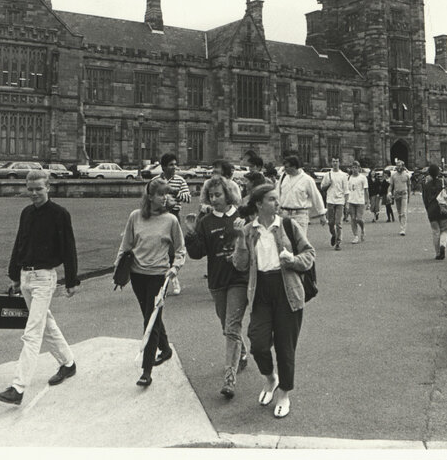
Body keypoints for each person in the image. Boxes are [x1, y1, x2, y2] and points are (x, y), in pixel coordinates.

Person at [0, 169, 79, 406]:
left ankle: (18, 387)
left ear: (48, 187)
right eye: (30, 190)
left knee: (32, 333)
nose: (34, 194)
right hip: (26, 276)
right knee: (46, 324)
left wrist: (72, 280)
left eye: (38, 189)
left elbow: (68, 248)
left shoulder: (59, 214)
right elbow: (19, 243)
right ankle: (68, 363)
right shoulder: (26, 213)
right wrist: (14, 275)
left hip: (44, 278)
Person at [232, 184, 315, 419]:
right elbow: (240, 265)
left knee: (285, 348)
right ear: (259, 204)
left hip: (287, 290)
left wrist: (293, 260)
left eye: (277, 200)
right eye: (271, 200)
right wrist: (239, 239)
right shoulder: (248, 230)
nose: (277, 204)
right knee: (258, 343)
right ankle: (270, 379)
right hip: (261, 292)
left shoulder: (288, 225)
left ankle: (284, 393)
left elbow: (309, 255)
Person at [183, 176, 249, 398]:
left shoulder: (241, 216)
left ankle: (229, 378)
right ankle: (241, 351)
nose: (214, 199)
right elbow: (197, 253)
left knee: (232, 326)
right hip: (217, 281)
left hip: (239, 279)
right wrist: (191, 233)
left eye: (218, 195)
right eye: (211, 196)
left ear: (228, 194)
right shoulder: (206, 222)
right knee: (227, 325)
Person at [117, 178, 186, 387]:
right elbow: (126, 245)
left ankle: (146, 371)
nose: (165, 198)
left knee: (151, 320)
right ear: (149, 197)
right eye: (160, 194)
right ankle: (165, 349)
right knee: (151, 315)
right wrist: (118, 268)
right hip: (138, 275)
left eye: (167, 194)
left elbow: (181, 249)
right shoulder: (135, 217)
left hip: (159, 276)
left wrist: (175, 268)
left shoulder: (171, 221)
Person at [155, 153, 190, 294]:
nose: (174, 167)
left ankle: (173, 278)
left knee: (172, 249)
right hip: (158, 216)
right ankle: (160, 280)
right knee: (158, 249)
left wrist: (175, 193)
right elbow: (148, 197)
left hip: (173, 216)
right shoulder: (156, 181)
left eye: (175, 164)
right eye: (171, 165)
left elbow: (187, 198)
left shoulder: (180, 180)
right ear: (163, 167)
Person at [275, 155, 327, 235]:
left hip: (300, 215)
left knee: (300, 243)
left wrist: (322, 214)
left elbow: (316, 196)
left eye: (287, 167)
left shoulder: (307, 180)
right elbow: (277, 193)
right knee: (285, 243)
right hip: (284, 214)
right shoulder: (283, 177)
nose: (285, 169)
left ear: (294, 167)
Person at [421, 164, 447, 260]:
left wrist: (428, 210)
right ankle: (442, 246)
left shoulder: (426, 186)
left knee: (435, 232)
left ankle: (437, 253)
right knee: (445, 230)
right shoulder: (443, 183)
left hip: (432, 211)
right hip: (443, 209)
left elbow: (425, 200)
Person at [319, 157, 348, 250]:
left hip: (340, 201)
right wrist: (328, 184)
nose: (335, 163)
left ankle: (338, 242)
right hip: (330, 201)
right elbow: (322, 188)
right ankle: (334, 235)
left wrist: (346, 203)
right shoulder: (327, 175)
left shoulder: (343, 175)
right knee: (331, 223)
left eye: (337, 161)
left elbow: (346, 190)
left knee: (338, 223)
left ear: (339, 162)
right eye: (333, 161)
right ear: (331, 163)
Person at [345, 161, 369, 243]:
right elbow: (347, 190)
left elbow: (366, 190)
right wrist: (347, 202)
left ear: (359, 168)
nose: (354, 169)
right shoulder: (349, 178)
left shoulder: (363, 178)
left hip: (360, 201)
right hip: (351, 201)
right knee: (353, 219)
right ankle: (355, 236)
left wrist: (367, 201)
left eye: (356, 167)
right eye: (353, 167)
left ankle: (362, 229)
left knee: (359, 219)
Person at [388, 160, 412, 235]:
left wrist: (409, 196)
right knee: (399, 212)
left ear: (403, 166)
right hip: (396, 194)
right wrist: (389, 192)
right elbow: (391, 185)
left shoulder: (406, 175)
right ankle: (401, 225)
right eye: (397, 165)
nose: (399, 167)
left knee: (403, 212)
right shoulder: (393, 175)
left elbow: (409, 185)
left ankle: (403, 229)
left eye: (400, 165)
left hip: (404, 194)